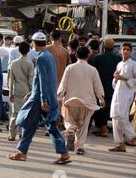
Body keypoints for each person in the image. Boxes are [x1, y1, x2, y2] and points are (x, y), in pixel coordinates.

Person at [7, 32, 71, 164]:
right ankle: (63, 152)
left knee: (26, 122)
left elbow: (43, 79)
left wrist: (42, 99)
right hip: (45, 95)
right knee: (49, 125)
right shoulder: (48, 56)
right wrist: (32, 92)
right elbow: (44, 79)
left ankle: (21, 152)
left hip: (40, 99)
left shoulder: (42, 58)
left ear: (35, 43)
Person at [58, 47, 105, 155]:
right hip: (87, 103)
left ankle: (70, 128)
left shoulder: (70, 68)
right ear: (88, 56)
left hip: (70, 100)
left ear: (76, 55)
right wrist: (101, 99)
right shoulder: (93, 70)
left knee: (69, 120)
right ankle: (79, 147)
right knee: (83, 125)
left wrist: (60, 96)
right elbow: (98, 86)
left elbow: (63, 84)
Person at [90, 38, 122, 137]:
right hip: (114, 86)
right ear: (113, 47)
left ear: (103, 46)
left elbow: (93, 73)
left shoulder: (98, 58)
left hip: (100, 86)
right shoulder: (118, 59)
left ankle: (103, 129)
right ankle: (106, 128)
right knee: (109, 107)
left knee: (101, 107)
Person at [108, 43, 136, 152]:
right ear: (120, 51)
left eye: (128, 49)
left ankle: (132, 136)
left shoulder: (133, 64)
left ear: (131, 52)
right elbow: (116, 81)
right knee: (114, 117)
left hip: (127, 94)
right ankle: (120, 144)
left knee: (122, 117)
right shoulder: (119, 64)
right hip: (117, 93)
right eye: (124, 49)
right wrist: (115, 79)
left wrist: (124, 78)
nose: (126, 51)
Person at [7, 42, 34, 141]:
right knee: (26, 114)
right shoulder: (30, 64)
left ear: (19, 51)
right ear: (28, 51)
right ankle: (22, 134)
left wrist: (11, 93)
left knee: (15, 113)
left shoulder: (14, 63)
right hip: (26, 91)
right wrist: (32, 92)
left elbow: (11, 79)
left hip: (16, 89)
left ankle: (12, 134)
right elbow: (31, 80)